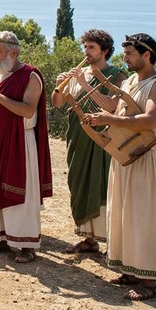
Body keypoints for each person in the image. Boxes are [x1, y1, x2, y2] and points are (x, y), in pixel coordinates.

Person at [83, 33, 156, 301]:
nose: (125, 59)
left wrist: (110, 118)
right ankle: (130, 269)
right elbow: (123, 115)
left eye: (130, 54)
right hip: (124, 155)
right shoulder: (133, 80)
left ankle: (149, 280)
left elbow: (149, 120)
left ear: (147, 55)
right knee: (123, 214)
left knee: (144, 217)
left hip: (147, 158)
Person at [0, 31, 51, 263]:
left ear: (13, 52)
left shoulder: (31, 76)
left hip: (20, 141)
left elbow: (28, 110)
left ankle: (27, 244)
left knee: (21, 191)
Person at [51, 29, 127, 255]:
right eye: (85, 47)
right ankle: (88, 239)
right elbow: (57, 102)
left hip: (103, 138)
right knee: (79, 182)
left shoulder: (117, 75)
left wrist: (85, 84)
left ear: (104, 50)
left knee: (102, 184)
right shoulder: (79, 73)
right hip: (78, 136)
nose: (87, 52)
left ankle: (111, 242)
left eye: (91, 48)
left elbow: (112, 106)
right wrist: (60, 84)